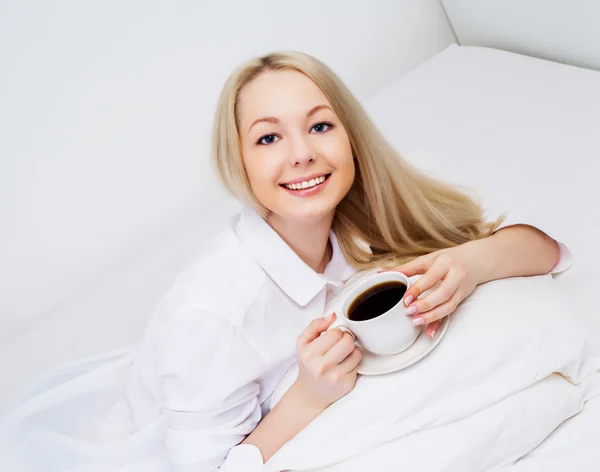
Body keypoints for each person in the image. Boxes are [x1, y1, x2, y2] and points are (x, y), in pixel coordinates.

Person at [0, 51, 569, 472]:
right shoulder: (211, 318)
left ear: (350, 139)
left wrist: (470, 264)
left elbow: (546, 253)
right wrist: (308, 397)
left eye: (320, 126)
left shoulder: (353, 226)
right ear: (239, 160)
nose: (303, 154)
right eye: (268, 138)